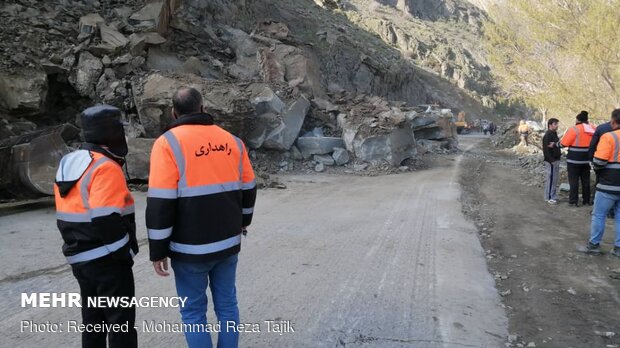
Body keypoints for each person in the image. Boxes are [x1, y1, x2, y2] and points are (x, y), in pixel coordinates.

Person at [146, 87, 257, 348]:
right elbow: (249, 189)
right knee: (228, 306)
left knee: (193, 313)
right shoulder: (233, 141)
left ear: (174, 113)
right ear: (204, 108)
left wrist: (157, 250)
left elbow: (160, 203)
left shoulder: (167, 143)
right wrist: (243, 222)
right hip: (228, 243)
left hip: (188, 249)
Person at [54, 105, 138, 347]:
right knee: (121, 325)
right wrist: (123, 253)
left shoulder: (69, 162)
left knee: (93, 323)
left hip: (80, 258)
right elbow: (105, 217)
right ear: (111, 133)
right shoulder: (105, 167)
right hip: (107, 261)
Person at [582, 108, 620, 257]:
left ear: (613, 121)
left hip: (608, 184)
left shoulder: (609, 137)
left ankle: (594, 245)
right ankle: (618, 248)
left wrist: (598, 170)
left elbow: (598, 161)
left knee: (599, 215)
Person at [559, 111, 595, 207]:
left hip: (574, 160)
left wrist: (555, 145)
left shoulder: (574, 129)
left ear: (578, 119)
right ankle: (586, 201)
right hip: (587, 160)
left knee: (574, 181)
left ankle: (573, 201)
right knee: (586, 181)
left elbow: (563, 144)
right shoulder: (592, 129)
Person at [589, 119, 615, 217]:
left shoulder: (601, 128)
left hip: (603, 164)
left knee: (600, 186)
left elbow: (592, 145)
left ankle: (599, 208)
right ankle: (612, 211)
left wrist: (591, 160)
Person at [543, 118, 561, 204]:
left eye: (557, 124)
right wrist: (551, 160)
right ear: (550, 125)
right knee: (551, 178)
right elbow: (546, 150)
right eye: (555, 124)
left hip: (556, 159)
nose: (557, 125)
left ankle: (551, 195)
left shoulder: (554, 134)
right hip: (551, 161)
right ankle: (550, 197)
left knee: (554, 179)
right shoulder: (548, 135)